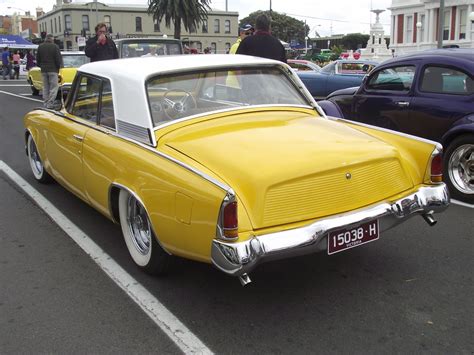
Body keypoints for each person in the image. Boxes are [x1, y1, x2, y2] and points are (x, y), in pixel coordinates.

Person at [36, 34, 63, 109]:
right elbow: (58, 59)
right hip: (53, 69)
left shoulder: (40, 46)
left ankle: (45, 102)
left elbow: (37, 58)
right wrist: (58, 68)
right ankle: (50, 103)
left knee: (45, 87)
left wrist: (41, 66)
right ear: (52, 39)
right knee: (54, 87)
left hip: (44, 69)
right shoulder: (55, 47)